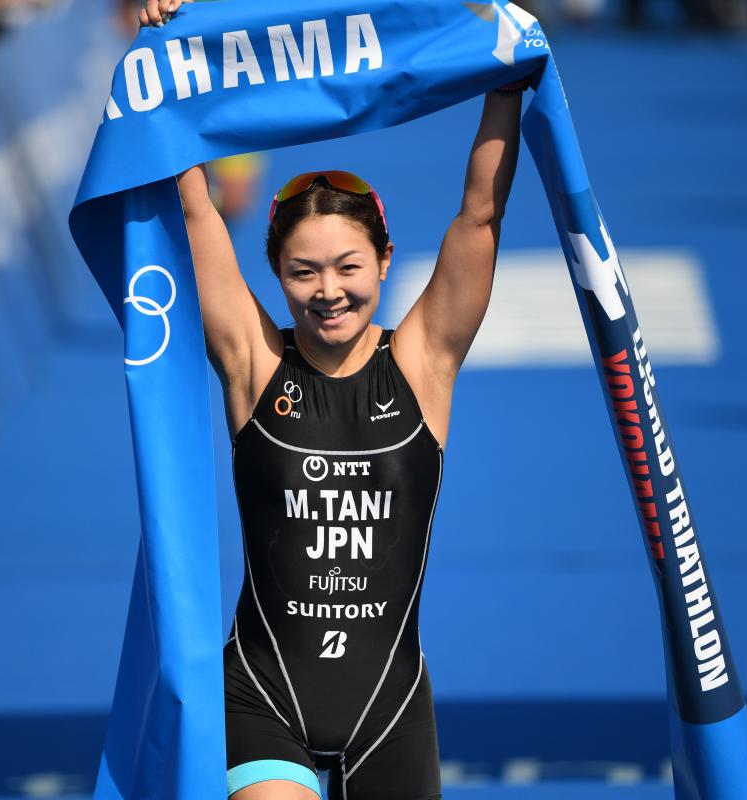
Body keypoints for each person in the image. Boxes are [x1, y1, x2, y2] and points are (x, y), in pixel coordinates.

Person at [138, 2, 525, 797]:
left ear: (385, 261)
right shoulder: (253, 363)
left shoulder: (423, 364)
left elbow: (480, 213)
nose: (327, 293)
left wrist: (506, 82)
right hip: (260, 697)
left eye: (348, 267)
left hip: (390, 712)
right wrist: (163, 51)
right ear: (276, 274)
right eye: (303, 272)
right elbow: (194, 211)